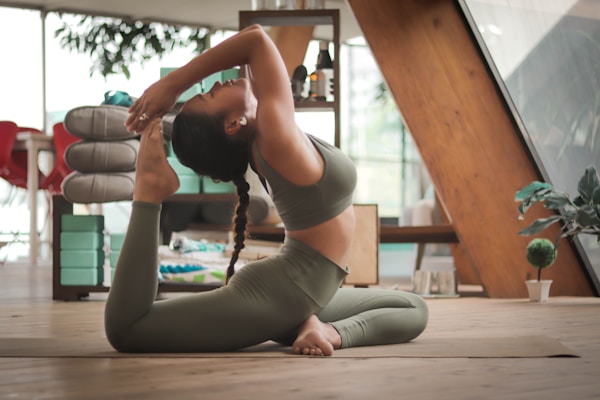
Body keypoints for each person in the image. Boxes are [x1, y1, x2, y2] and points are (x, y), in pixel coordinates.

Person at [105, 24, 428, 356]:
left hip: (301, 291)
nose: (217, 83)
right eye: (212, 95)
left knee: (412, 308)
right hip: (280, 292)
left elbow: (253, 54)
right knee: (128, 329)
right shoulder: (274, 137)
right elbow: (256, 39)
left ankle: (316, 327)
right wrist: (172, 85)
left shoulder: (267, 133)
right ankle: (148, 189)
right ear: (233, 125)